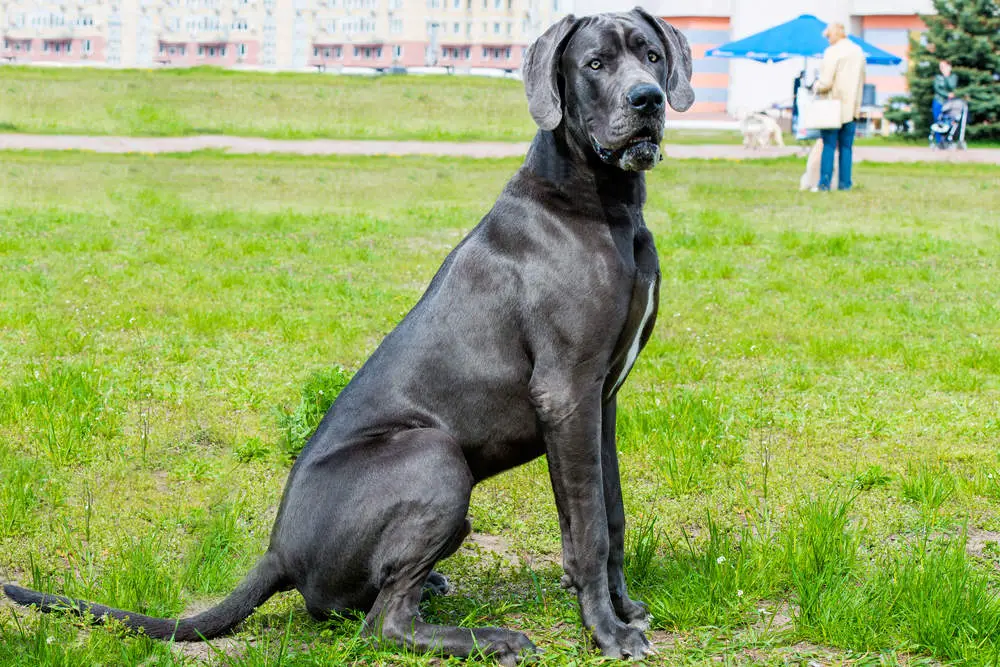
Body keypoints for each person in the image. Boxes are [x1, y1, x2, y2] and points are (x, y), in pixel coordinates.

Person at [813, 22, 866, 192]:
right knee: (846, 147)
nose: (827, 40)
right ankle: (845, 184)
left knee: (828, 145)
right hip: (852, 107)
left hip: (832, 106)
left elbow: (826, 82)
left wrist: (815, 85)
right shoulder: (858, 52)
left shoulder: (832, 52)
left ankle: (824, 183)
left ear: (834, 34)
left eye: (828, 36)